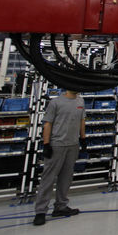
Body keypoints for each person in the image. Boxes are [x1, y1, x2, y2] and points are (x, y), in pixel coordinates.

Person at [33, 90, 87, 226]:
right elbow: (48, 124)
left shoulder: (80, 101)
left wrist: (83, 138)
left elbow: (82, 120)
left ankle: (61, 206)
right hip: (57, 145)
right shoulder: (55, 102)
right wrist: (46, 144)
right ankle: (40, 211)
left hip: (73, 144)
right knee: (48, 178)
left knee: (66, 177)